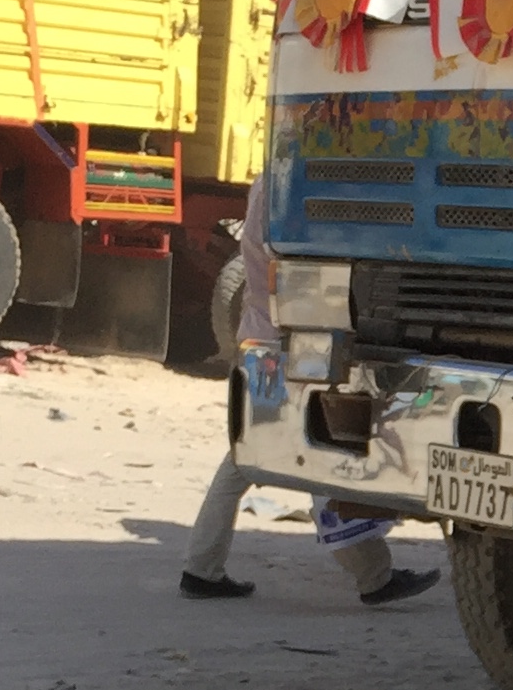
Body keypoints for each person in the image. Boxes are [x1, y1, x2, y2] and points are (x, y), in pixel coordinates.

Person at [180, 169, 440, 608]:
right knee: (317, 449)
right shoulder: (301, 186)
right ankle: (372, 575)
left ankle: (201, 568)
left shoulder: (266, 183)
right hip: (293, 343)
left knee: (243, 459)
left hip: (260, 337)